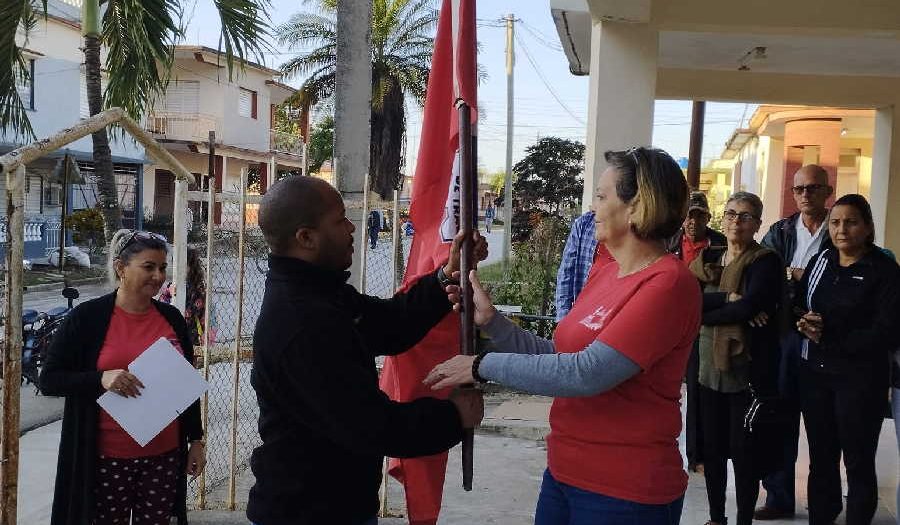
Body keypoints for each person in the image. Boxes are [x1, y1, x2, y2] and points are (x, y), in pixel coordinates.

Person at [426, 147, 699, 524]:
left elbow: (585, 373)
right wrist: (492, 323)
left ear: (636, 208)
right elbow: (560, 355)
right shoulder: (607, 270)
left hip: (624, 488)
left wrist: (480, 365)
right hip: (565, 472)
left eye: (602, 197)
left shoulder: (667, 284)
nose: (593, 208)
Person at [247, 176, 486, 525]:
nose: (352, 229)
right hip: (306, 512)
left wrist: (444, 277)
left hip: (340, 504)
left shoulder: (321, 293)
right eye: (340, 220)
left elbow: (388, 324)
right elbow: (370, 424)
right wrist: (452, 417)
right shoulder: (302, 322)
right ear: (306, 238)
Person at [40, 229, 206, 525]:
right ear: (120, 268)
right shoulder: (87, 318)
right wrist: (100, 378)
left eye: (162, 268)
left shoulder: (171, 318)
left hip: (164, 456)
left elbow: (185, 387)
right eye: (148, 267)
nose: (158, 276)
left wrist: (196, 439)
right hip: (105, 459)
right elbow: (50, 379)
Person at [795, 194, 900, 525]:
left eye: (851, 222)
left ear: (868, 227)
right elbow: (797, 303)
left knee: (857, 460)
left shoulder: (884, 270)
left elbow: (887, 331)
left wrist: (831, 336)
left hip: (861, 380)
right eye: (836, 222)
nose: (842, 229)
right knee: (821, 459)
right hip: (817, 376)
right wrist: (803, 323)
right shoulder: (821, 261)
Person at [690, 192, 782, 525]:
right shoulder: (707, 259)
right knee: (712, 452)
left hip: (747, 374)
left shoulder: (765, 261)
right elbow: (686, 303)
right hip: (707, 369)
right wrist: (728, 299)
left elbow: (750, 306)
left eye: (745, 216)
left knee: (745, 456)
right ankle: (717, 518)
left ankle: (744, 520)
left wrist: (703, 312)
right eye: (730, 214)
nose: (736, 221)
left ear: (757, 223)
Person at [756, 164, 834, 520]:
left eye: (814, 188)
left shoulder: (840, 227)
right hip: (785, 333)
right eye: (799, 189)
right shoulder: (781, 230)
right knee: (780, 417)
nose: (806, 194)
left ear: (827, 191)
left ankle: (824, 502)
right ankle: (778, 497)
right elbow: (764, 272)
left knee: (824, 425)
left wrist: (797, 274)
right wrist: (796, 274)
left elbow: (845, 275)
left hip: (826, 336)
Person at [668, 191, 727, 473]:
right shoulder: (669, 242)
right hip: (670, 323)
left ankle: (698, 456)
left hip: (706, 324)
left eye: (699, 216)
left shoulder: (720, 245)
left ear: (708, 217)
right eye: (689, 216)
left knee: (700, 390)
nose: (693, 222)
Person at [554, 210, 615, 321]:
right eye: (599, 197)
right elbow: (566, 273)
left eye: (603, 197)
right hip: (583, 316)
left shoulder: (636, 231)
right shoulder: (585, 223)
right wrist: (562, 319)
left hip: (615, 317)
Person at [159, 246, 209, 347]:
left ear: (191, 267)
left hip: (190, 337)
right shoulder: (171, 286)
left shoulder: (196, 289)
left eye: (183, 265)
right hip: (170, 336)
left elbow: (200, 313)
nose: (179, 269)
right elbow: (161, 305)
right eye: (177, 265)